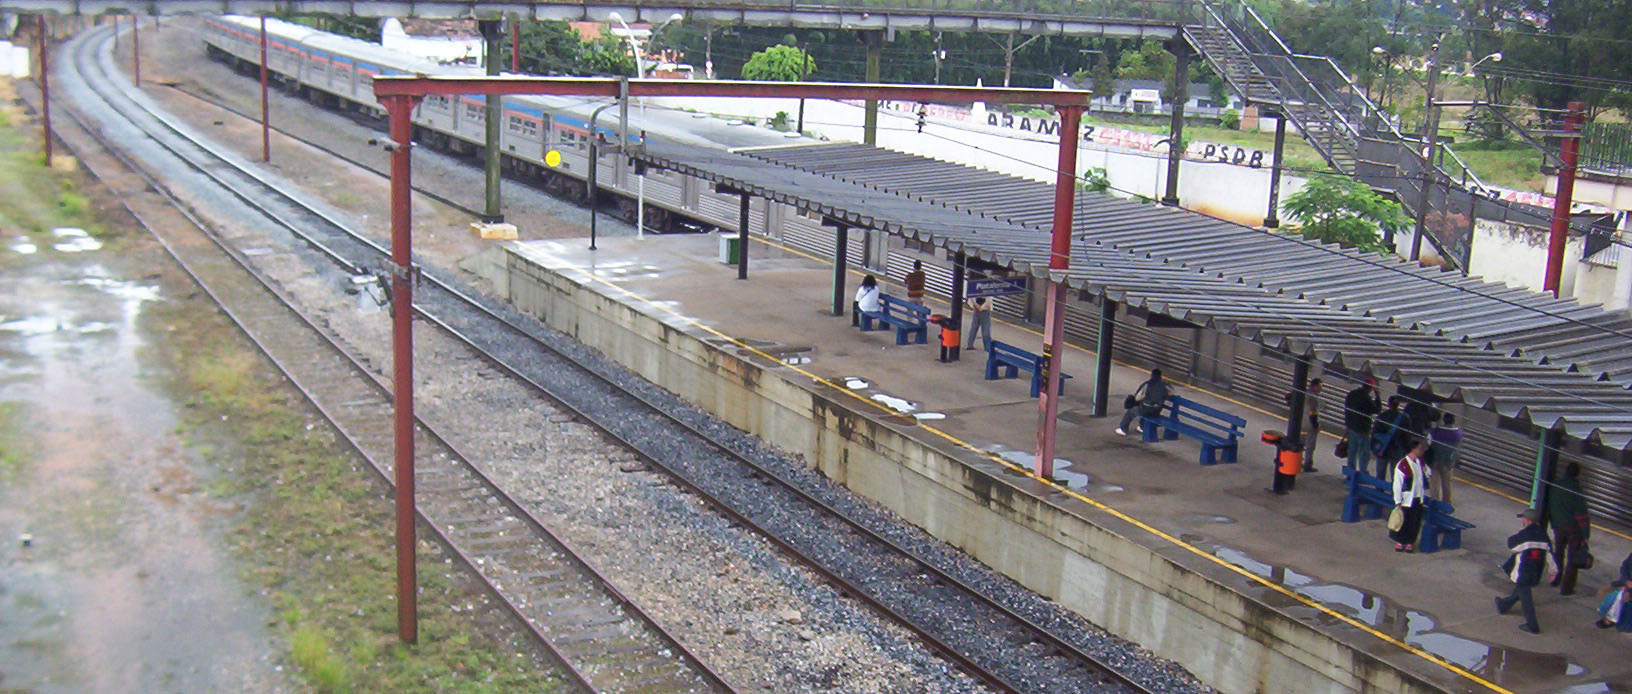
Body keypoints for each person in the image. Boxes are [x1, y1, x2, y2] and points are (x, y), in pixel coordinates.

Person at [1496, 507, 1553, 634]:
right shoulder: (1544, 536)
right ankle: (1503, 605)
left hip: (1523, 571)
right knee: (1521, 590)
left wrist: (1521, 532)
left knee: (1526, 598)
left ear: (1527, 520)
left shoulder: (1524, 535)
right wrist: (1553, 571)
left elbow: (1512, 545)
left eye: (1522, 518)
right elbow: (1550, 555)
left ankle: (1532, 625)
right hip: (1536, 571)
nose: (1521, 520)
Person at [1545, 462, 1591, 596]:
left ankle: (1555, 579)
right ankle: (1566, 589)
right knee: (1572, 559)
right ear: (1577, 474)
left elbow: (1551, 506)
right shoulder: (1576, 489)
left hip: (1558, 526)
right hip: (1573, 529)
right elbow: (1581, 514)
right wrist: (1586, 534)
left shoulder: (1555, 485)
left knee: (1558, 552)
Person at [1389, 438, 1431, 553]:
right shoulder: (1402, 465)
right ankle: (1400, 541)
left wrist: (1426, 471)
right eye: (1419, 448)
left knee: (1414, 522)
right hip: (1406, 499)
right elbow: (1397, 484)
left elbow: (1428, 472)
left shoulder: (1420, 462)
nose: (1421, 450)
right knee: (1404, 521)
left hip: (1418, 498)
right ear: (1413, 449)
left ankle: (1410, 542)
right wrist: (1397, 500)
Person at [1371, 396, 1414, 480]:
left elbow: (1375, 433)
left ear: (1388, 404)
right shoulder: (1404, 418)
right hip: (1397, 448)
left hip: (1383, 448)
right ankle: (1394, 491)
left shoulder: (1382, 416)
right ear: (1398, 405)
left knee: (1380, 471)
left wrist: (1373, 448)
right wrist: (1408, 450)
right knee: (1396, 473)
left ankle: (1379, 489)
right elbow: (1407, 436)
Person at [1116, 368, 1169, 437]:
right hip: (1157, 411)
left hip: (1146, 410)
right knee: (1145, 408)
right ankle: (1142, 427)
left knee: (1132, 411)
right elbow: (1171, 393)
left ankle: (1123, 429)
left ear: (1152, 375)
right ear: (1160, 376)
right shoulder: (1165, 385)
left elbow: (1138, 397)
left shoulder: (1147, 384)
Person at [1343, 378, 1382, 472]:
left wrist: (1347, 423)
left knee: (1352, 450)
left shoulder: (1352, 394)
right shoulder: (1366, 398)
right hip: (1363, 428)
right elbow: (1376, 410)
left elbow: (1346, 408)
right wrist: (1378, 396)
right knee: (1364, 452)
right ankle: (1363, 471)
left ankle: (1350, 471)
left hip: (1351, 426)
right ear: (1370, 388)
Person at [1427, 413, 1462, 503]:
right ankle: (1447, 502)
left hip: (1435, 460)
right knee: (1447, 484)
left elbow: (1429, 443)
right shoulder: (1458, 433)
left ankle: (1435, 502)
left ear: (1444, 420)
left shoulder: (1435, 431)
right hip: (1449, 462)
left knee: (1435, 483)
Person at [1595, 551, 1632, 631]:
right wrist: (1626, 581)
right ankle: (1608, 614)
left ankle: (1612, 618)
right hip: (1627, 583)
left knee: (1622, 597)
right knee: (1603, 591)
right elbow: (1625, 566)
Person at [1302, 379, 1323, 473]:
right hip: (1310, 426)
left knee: (1299, 443)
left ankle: (1297, 461)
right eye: (1319, 387)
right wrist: (1316, 426)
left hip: (1301, 424)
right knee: (1310, 447)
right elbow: (1313, 413)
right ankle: (1307, 465)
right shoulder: (1313, 398)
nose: (1320, 389)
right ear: (1314, 386)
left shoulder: (1303, 394)